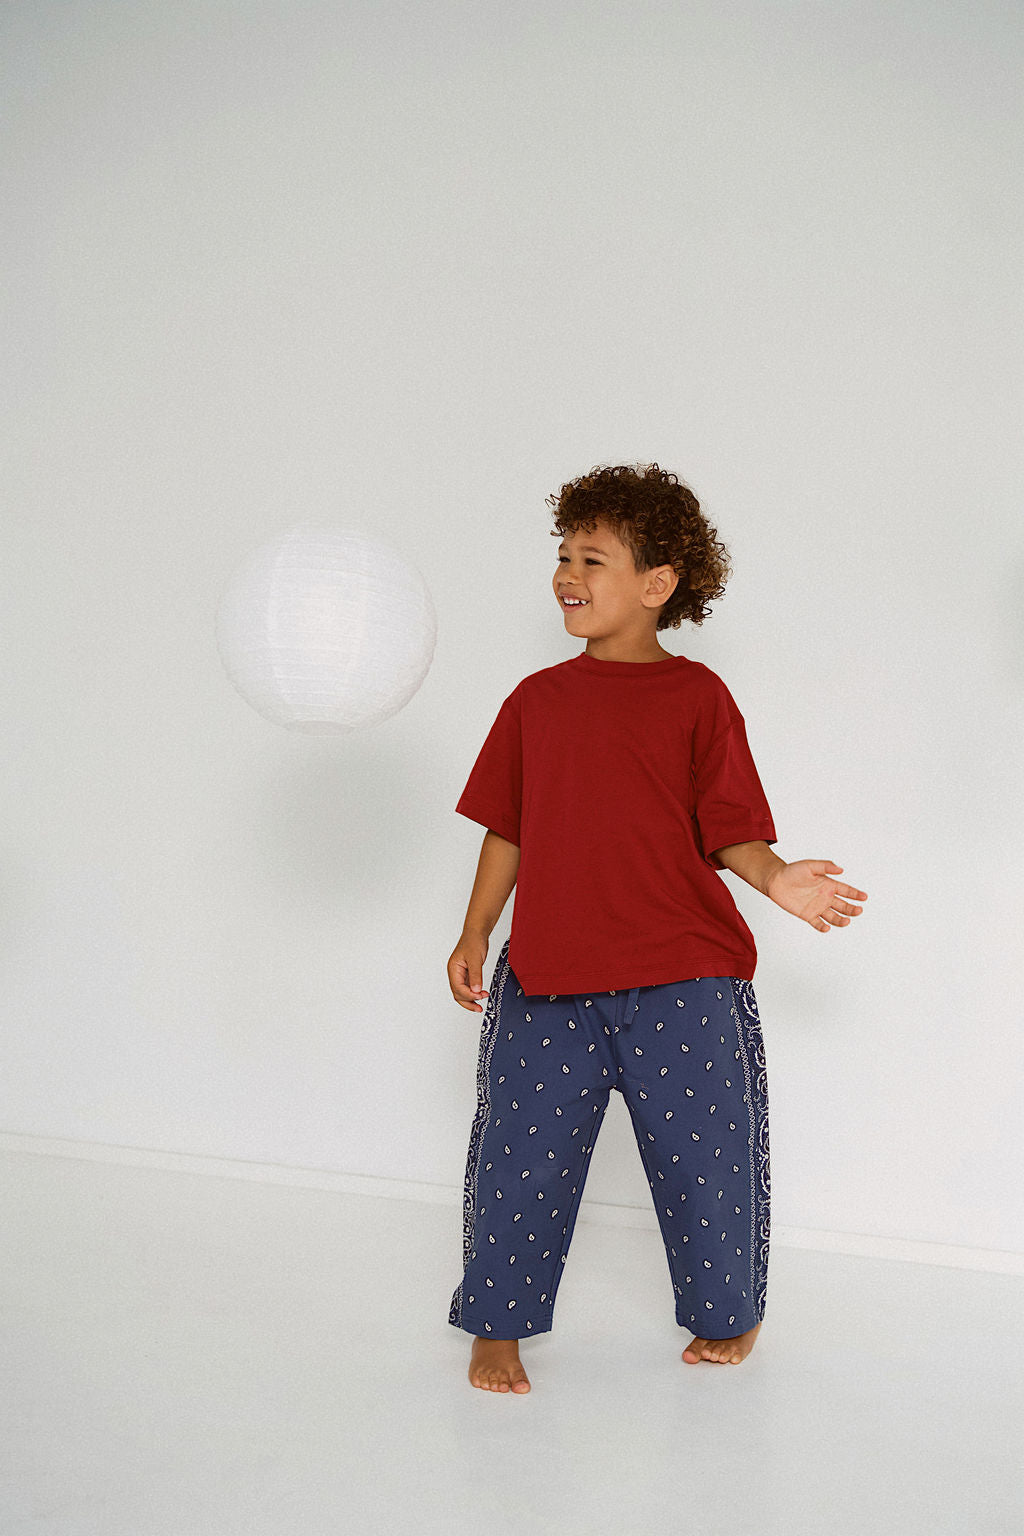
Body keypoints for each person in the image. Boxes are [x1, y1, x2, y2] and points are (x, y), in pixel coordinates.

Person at [446, 462, 868, 1395]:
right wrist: (476, 931)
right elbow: (507, 825)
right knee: (521, 1161)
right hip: (548, 981)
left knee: (707, 1163)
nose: (567, 574)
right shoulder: (534, 702)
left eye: (592, 559)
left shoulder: (698, 697)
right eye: (563, 555)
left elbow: (731, 828)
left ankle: (728, 1313)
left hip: (686, 981)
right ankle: (497, 1326)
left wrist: (777, 880)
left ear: (657, 583)